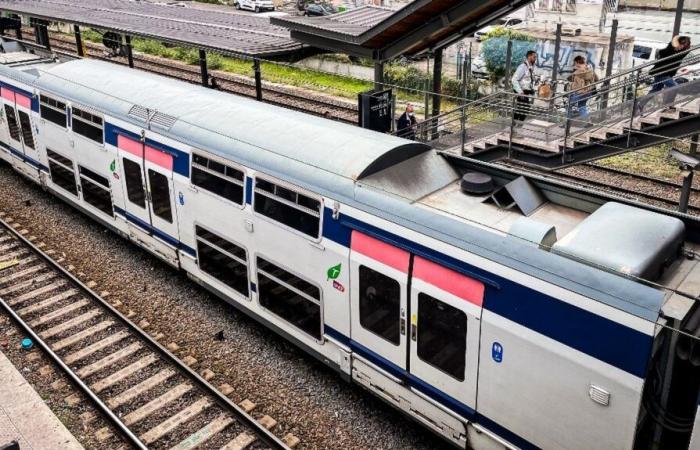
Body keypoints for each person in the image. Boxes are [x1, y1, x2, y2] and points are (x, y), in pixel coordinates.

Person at [637, 35, 691, 114]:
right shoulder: (670, 48)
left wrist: (685, 47)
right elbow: (662, 52)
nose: (682, 47)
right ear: (678, 44)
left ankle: (641, 104)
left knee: (656, 90)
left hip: (665, 73)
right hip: (662, 72)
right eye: (681, 44)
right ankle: (668, 105)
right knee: (674, 87)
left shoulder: (682, 52)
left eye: (684, 45)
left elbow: (686, 51)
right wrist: (673, 46)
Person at [567, 55, 598, 123]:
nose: (575, 64)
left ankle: (567, 123)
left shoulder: (578, 71)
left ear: (577, 62)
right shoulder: (590, 70)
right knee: (581, 106)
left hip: (580, 92)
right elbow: (597, 79)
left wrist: (575, 70)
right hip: (588, 92)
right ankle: (588, 122)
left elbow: (569, 78)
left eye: (575, 63)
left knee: (569, 105)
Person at [511, 50, 538, 122]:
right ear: (529, 57)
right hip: (521, 92)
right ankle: (515, 126)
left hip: (526, 92)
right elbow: (514, 80)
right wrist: (520, 92)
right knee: (523, 109)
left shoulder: (531, 67)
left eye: (536, 57)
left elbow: (528, 79)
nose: (535, 58)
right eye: (534, 57)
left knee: (523, 109)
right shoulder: (523, 67)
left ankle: (516, 126)